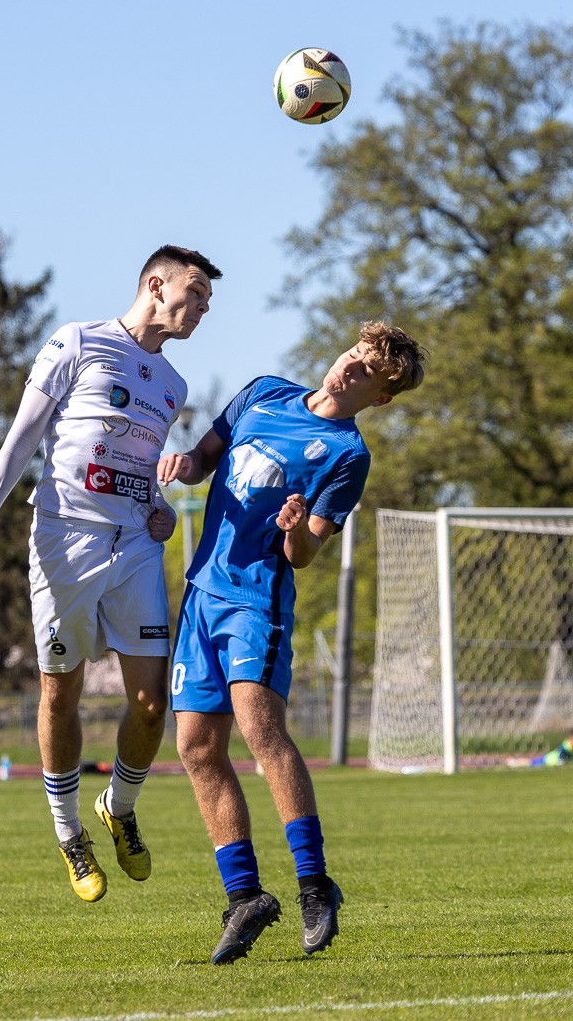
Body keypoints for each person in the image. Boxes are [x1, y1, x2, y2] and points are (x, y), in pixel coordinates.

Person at [0, 245, 222, 902]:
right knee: (59, 694)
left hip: (134, 548)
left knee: (153, 702)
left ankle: (119, 807)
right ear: (155, 285)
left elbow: (139, 468)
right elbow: (21, 438)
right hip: (64, 539)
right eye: (196, 294)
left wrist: (159, 511)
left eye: (209, 304)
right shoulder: (76, 342)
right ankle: (69, 832)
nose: (202, 310)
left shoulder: (173, 386)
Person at [157, 321, 427, 964]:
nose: (349, 370)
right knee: (196, 747)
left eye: (367, 373)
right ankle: (245, 896)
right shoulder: (262, 393)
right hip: (202, 595)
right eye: (353, 356)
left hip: (257, 604)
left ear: (380, 398)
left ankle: (314, 886)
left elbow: (305, 553)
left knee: (260, 731)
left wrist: (295, 529)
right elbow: (203, 461)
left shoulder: (347, 455)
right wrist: (182, 462)